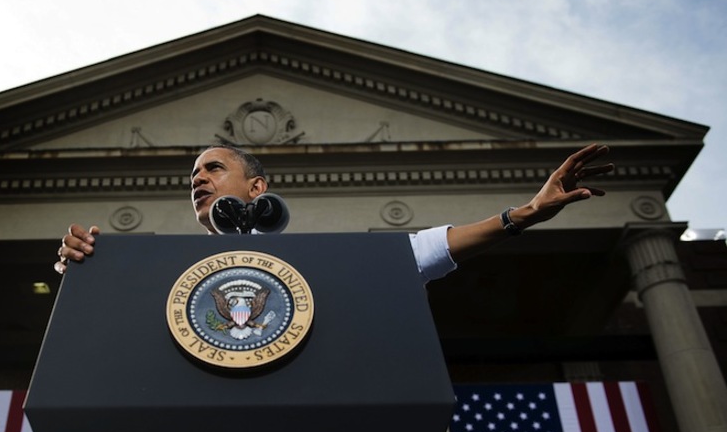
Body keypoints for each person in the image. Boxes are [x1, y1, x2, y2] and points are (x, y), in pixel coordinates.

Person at [54, 144, 613, 282]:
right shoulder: (162, 267)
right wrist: (78, 265)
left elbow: (420, 252)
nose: (198, 178)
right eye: (192, 176)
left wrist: (523, 214)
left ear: (258, 187)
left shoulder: (315, 262)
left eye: (213, 168)